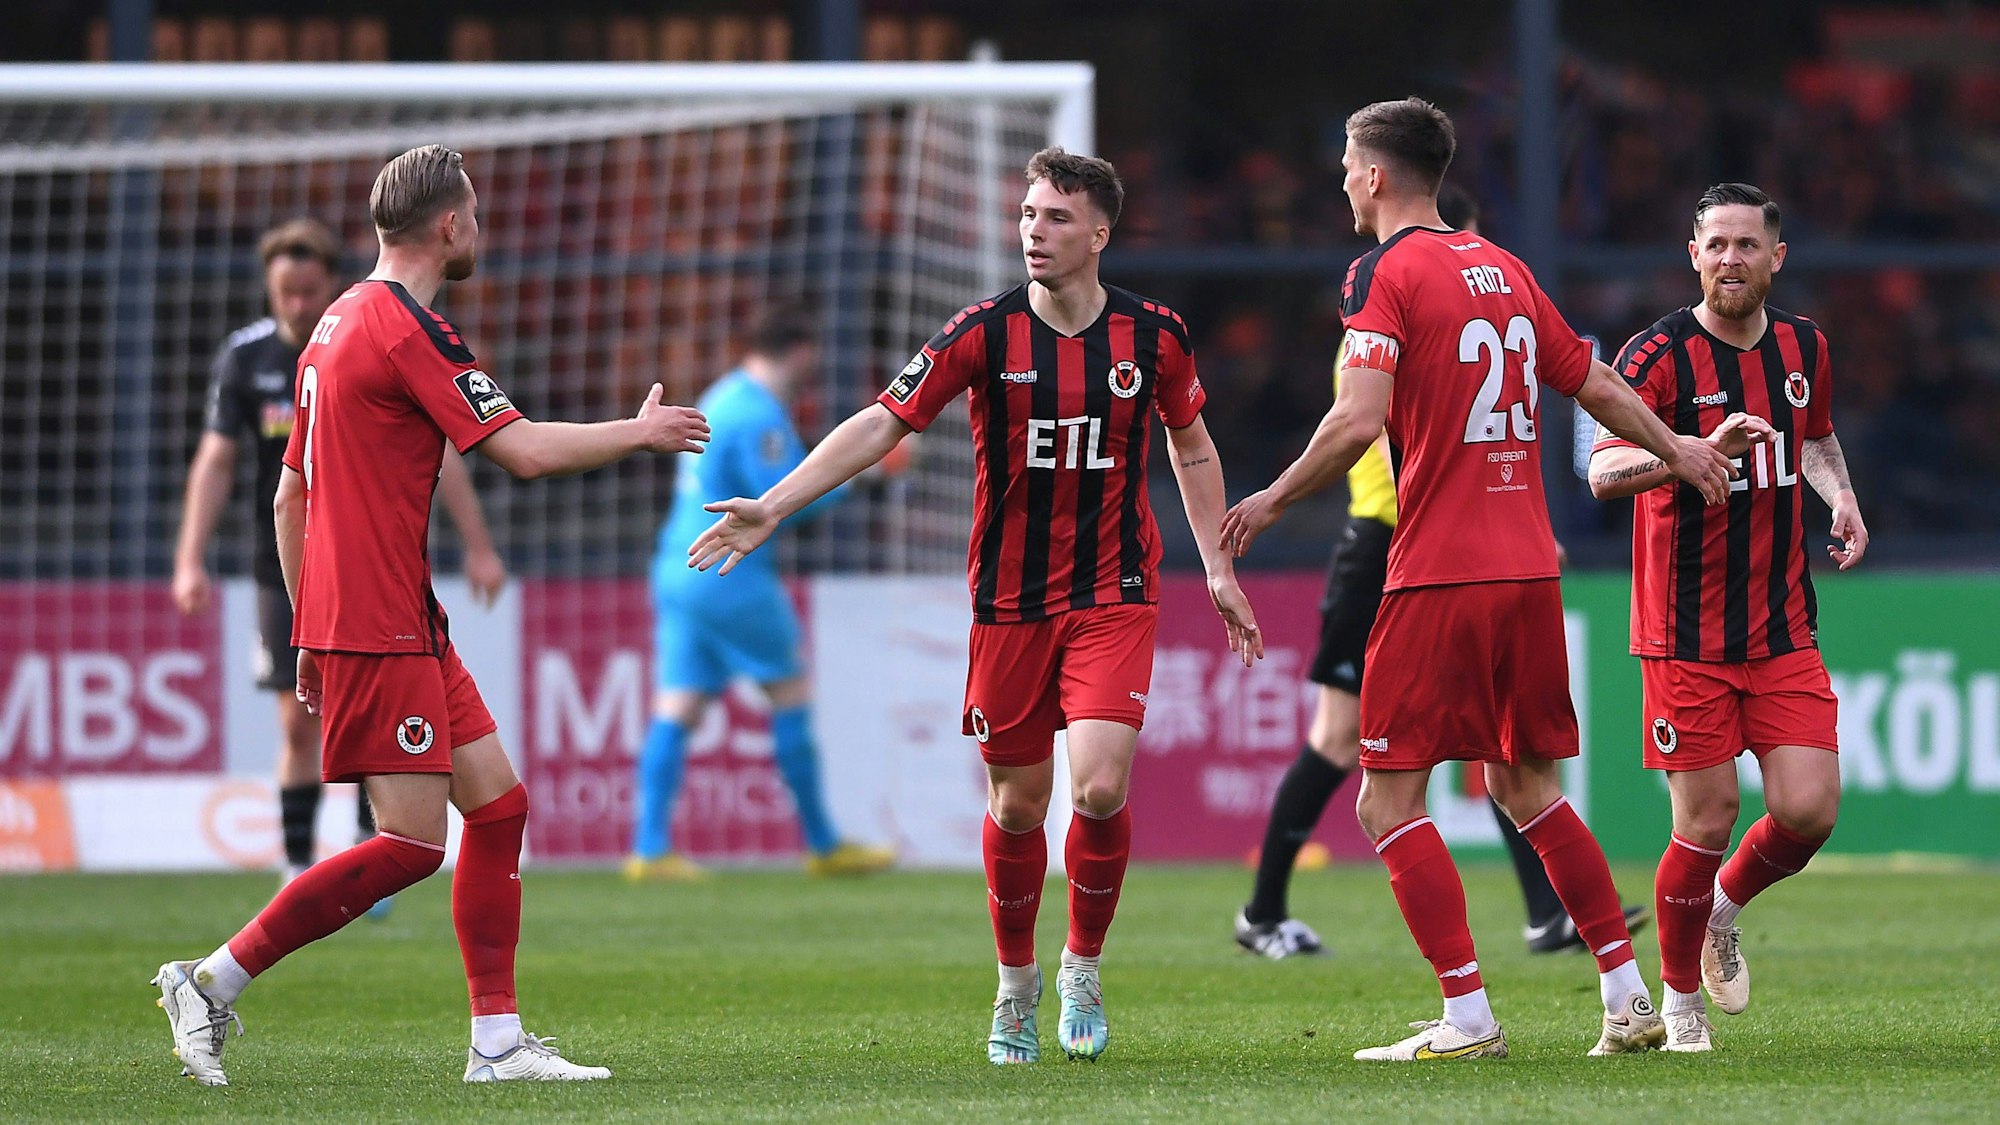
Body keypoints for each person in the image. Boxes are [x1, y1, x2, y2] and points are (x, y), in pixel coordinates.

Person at [152, 144, 711, 1087]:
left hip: (390, 615)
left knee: (499, 805)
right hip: (378, 620)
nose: (480, 229)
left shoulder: (333, 324)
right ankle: (208, 981)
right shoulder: (410, 330)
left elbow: (290, 498)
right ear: (449, 226)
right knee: (412, 845)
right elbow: (522, 452)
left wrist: (305, 627)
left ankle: (498, 1042)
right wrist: (642, 431)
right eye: (476, 214)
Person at [689, 148, 1262, 1066]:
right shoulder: (983, 332)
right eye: (1028, 214)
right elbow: (882, 421)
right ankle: (1015, 983)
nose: (1035, 230)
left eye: (1056, 218)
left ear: (1099, 235)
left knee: (1099, 785)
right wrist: (776, 503)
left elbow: (1190, 444)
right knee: (1020, 804)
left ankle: (1082, 964)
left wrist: (1218, 568)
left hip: (1114, 588)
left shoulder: (1155, 335)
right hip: (1008, 601)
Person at [1221, 97, 1741, 1061]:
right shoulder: (1504, 266)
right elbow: (1594, 381)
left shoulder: (1381, 272)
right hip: (1529, 568)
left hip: (1439, 572)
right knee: (1527, 784)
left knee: (1385, 801)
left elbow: (1357, 417)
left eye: (1348, 165)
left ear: (1377, 174)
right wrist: (1678, 448)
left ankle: (1467, 1016)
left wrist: (1274, 497)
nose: (1343, 181)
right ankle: (1627, 997)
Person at [1233, 185, 1651, 960]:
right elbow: (1390, 439)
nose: (1472, 264)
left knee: (1500, 746)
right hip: (1388, 545)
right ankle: (1262, 910)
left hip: (1452, 551)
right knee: (1341, 740)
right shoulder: (1384, 314)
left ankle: (1544, 914)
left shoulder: (1433, 299)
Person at [1588, 182, 1863, 1052]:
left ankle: (1719, 912)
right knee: (1706, 820)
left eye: (1748, 245)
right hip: (1684, 632)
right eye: (1717, 245)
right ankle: (1679, 1005)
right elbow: (1602, 472)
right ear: (1693, 254)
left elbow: (1814, 434)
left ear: (1776, 257)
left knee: (1810, 809)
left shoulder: (1805, 345)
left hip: (1781, 624)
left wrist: (1841, 495)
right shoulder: (1657, 354)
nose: (1731, 259)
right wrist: (1688, 453)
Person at [172, 218, 507, 904]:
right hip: (285, 564)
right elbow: (222, 464)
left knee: (376, 725)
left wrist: (478, 543)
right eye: (284, 294)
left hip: (361, 570)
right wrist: (189, 558)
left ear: (327, 283)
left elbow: (442, 450)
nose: (297, 305)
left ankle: (366, 849)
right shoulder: (251, 358)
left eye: (307, 291)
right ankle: (298, 867)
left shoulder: (354, 338)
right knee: (300, 722)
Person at [628, 305, 895, 882]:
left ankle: (648, 850)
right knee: (790, 691)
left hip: (678, 564)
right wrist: (867, 473)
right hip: (729, 572)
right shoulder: (758, 414)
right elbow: (780, 499)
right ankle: (823, 844)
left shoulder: (723, 395)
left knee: (679, 704)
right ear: (801, 352)